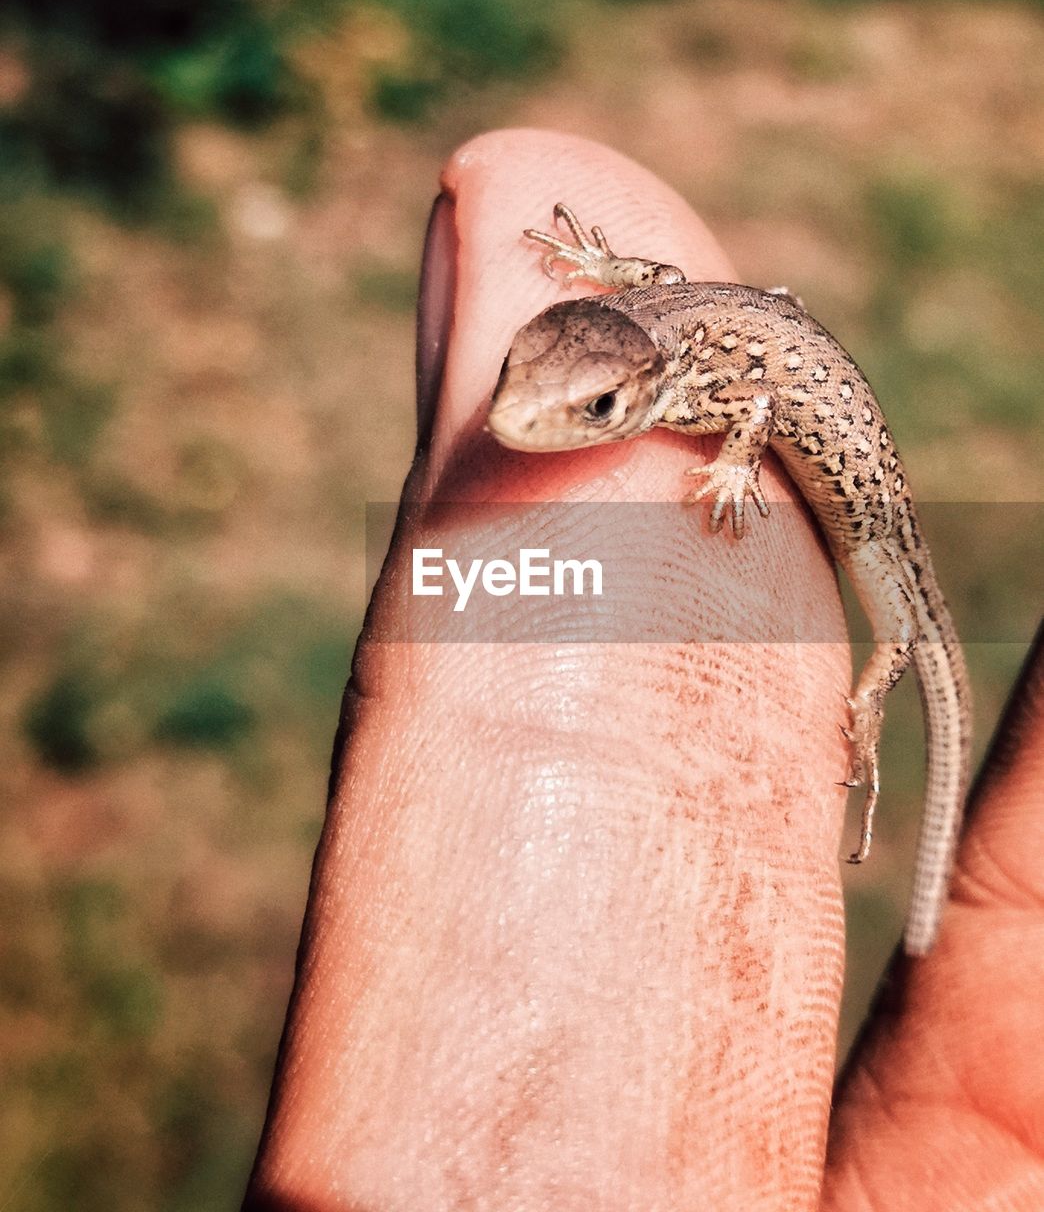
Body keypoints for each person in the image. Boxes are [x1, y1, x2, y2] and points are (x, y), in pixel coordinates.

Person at [243, 130, 1044, 1210]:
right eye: (518, 381)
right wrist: (608, 282)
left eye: (593, 411)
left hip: (876, 517)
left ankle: (871, 721)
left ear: (651, 381)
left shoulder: (708, 385)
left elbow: (754, 407)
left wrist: (729, 463)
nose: (519, 421)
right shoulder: (649, 339)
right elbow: (654, 289)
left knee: (898, 633)